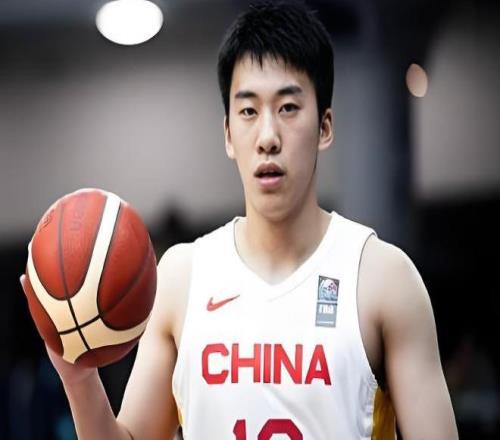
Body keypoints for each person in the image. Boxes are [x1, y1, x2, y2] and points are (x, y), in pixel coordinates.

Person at [21, 1, 458, 439]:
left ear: (325, 127)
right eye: (248, 111)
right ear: (229, 135)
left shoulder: (383, 278)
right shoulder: (182, 279)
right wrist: (79, 379)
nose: (268, 137)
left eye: (288, 108)